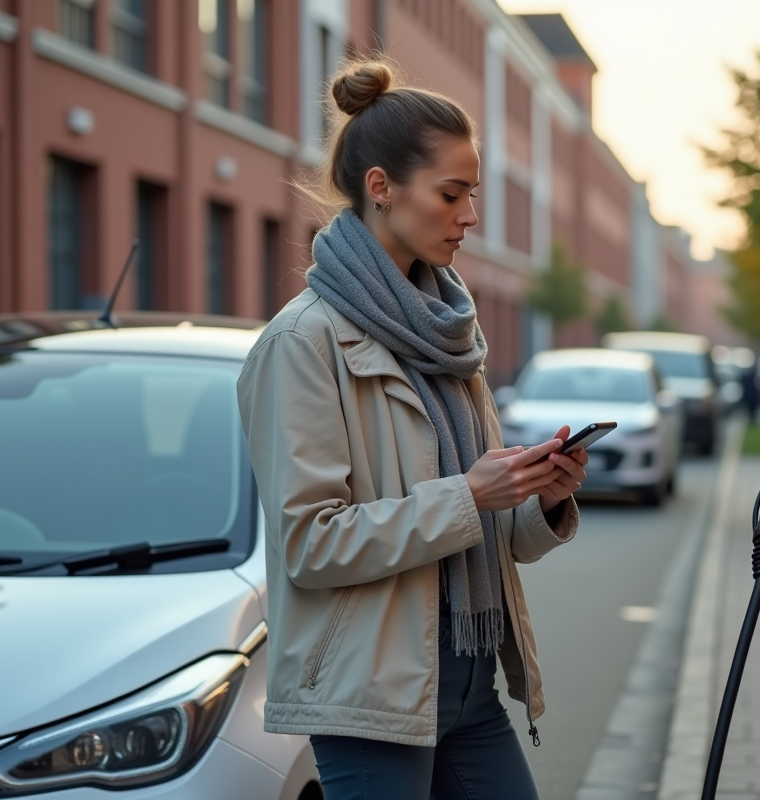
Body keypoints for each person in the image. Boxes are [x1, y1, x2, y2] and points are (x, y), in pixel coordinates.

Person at [236, 59, 587, 800]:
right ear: (381, 187)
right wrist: (468, 495)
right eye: (451, 194)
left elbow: (491, 532)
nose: (469, 216)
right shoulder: (304, 342)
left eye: (472, 195)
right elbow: (310, 542)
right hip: (373, 698)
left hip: (469, 678)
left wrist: (541, 497)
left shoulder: (449, 331)